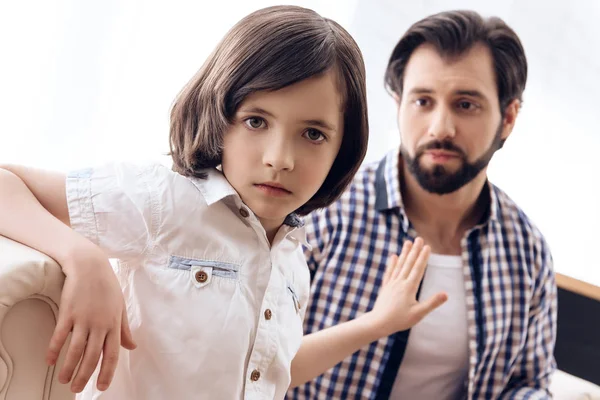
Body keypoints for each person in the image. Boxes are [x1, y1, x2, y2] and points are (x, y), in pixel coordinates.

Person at [0, 5, 448, 400]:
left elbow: (276, 371)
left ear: (341, 149)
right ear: (219, 118)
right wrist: (83, 257)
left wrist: (379, 322)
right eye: (256, 121)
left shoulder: (292, 259)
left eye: (313, 134)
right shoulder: (165, 202)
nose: (280, 159)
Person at [289, 10, 557, 400]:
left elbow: (528, 383)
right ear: (398, 104)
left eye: (466, 105)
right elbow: (257, 363)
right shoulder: (322, 209)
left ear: (508, 118)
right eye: (423, 101)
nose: (440, 127)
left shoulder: (526, 251)